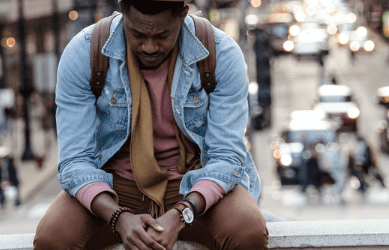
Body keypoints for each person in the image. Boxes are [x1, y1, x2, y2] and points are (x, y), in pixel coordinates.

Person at [33, 1, 268, 249]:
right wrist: (118, 217)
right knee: (52, 238)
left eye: (162, 35)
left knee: (248, 231)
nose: (149, 46)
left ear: (182, 15)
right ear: (122, 12)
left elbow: (227, 157)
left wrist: (182, 213)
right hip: (113, 185)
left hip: (195, 181)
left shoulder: (221, 53)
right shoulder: (84, 53)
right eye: (137, 34)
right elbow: (74, 160)